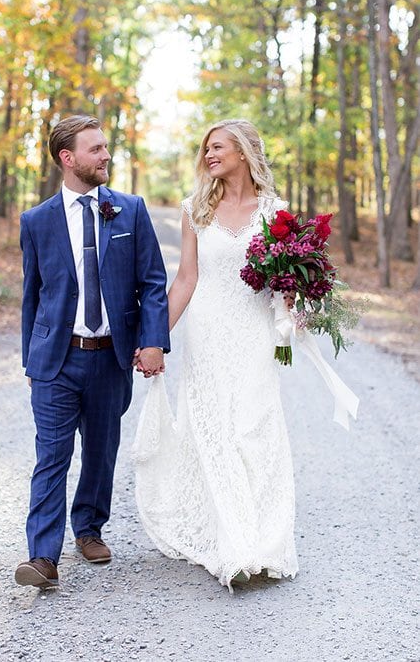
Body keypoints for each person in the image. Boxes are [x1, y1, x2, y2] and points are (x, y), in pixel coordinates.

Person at [133, 118, 298, 591]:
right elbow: (186, 279)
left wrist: (298, 310)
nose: (208, 155)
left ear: (244, 153)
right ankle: (234, 543)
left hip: (255, 334)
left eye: (218, 147)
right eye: (206, 148)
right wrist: (154, 338)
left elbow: (288, 282)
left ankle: (266, 540)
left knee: (254, 428)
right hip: (207, 333)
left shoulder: (275, 213)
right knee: (214, 430)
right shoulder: (195, 210)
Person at [15, 114, 170, 589]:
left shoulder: (130, 210)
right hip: (56, 360)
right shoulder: (36, 221)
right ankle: (42, 557)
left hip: (110, 356)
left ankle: (89, 528)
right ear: (68, 158)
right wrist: (30, 359)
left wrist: (152, 341)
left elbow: (153, 282)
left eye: (106, 148)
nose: (106, 156)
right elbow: (32, 294)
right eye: (96, 149)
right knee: (52, 456)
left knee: (101, 450)